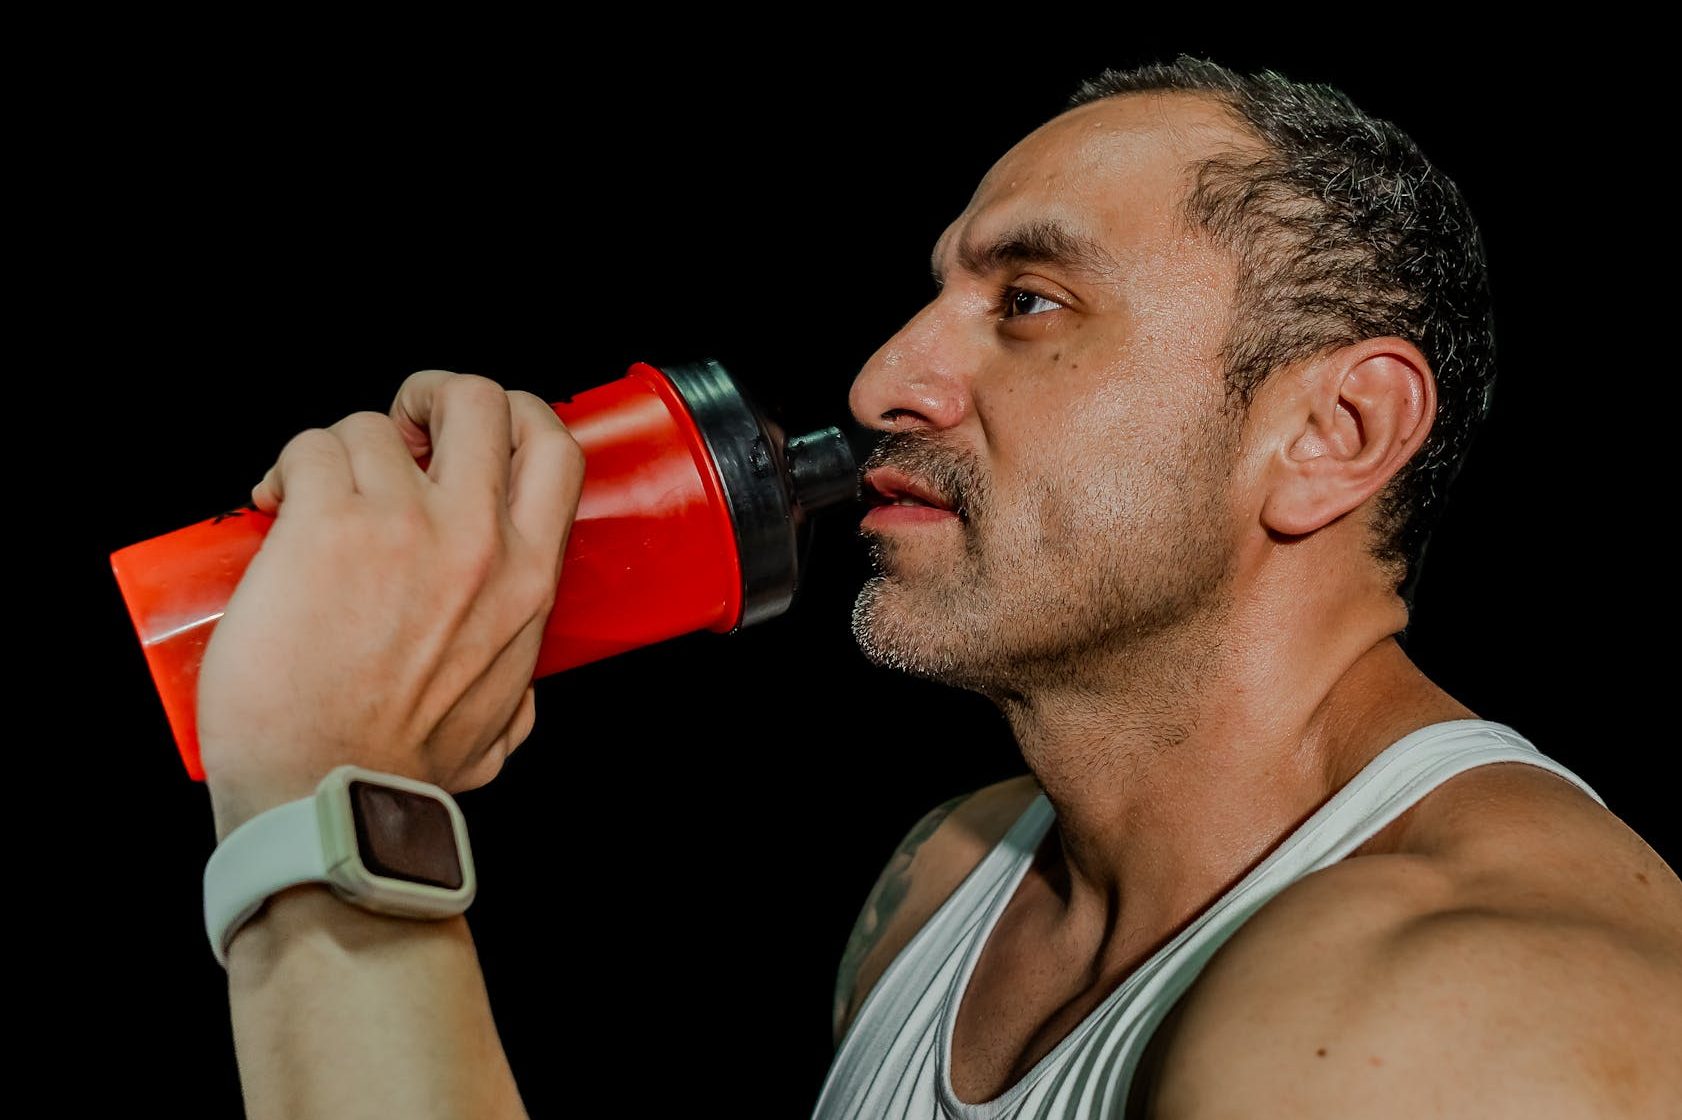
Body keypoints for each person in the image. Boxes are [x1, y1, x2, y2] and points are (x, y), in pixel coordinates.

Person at [193, 58, 1680, 1119]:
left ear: (1329, 436)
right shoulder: (955, 881)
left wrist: (333, 814)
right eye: (937, 296)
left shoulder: (1450, 1009)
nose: (884, 380)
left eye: (1029, 306)